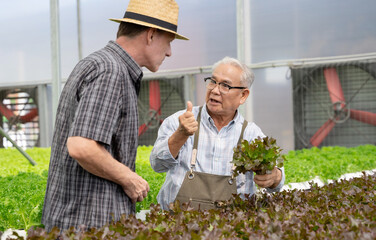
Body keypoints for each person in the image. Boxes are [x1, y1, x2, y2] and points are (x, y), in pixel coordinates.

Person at [42, 0, 188, 231]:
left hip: (79, 223)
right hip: (90, 226)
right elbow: (82, 146)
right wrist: (130, 179)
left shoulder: (100, 63)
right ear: (150, 35)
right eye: (168, 42)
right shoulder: (111, 71)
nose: (169, 52)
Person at [150, 56, 285, 210]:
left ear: (243, 95)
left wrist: (274, 176)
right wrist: (180, 135)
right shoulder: (180, 121)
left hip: (232, 228)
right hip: (179, 225)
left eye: (225, 85)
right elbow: (157, 164)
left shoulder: (251, 133)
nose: (214, 90)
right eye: (212, 81)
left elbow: (276, 182)